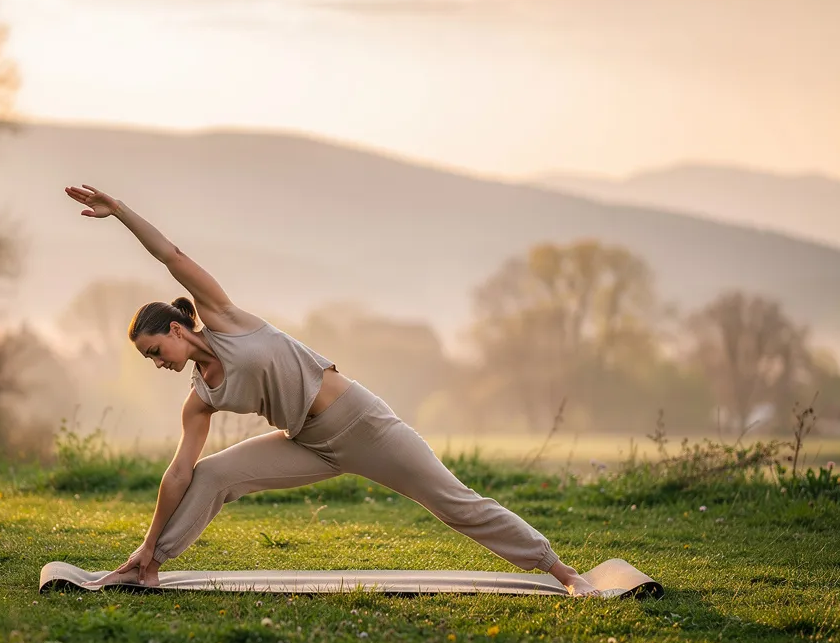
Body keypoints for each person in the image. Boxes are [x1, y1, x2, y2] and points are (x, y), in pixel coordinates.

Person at [62, 184, 600, 597]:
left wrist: (122, 212)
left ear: (177, 330)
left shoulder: (223, 319)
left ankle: (561, 571)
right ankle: (148, 569)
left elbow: (172, 256)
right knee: (214, 475)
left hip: (360, 423)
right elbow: (178, 474)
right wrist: (149, 542)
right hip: (308, 442)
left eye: (155, 351)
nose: (156, 364)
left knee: (453, 502)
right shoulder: (200, 398)